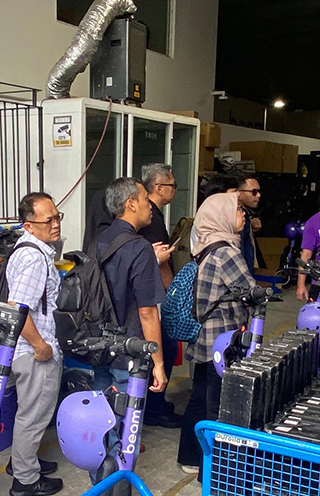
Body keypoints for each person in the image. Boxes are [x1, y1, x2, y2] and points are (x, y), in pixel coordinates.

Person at [177, 191, 256, 473]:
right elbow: (250, 292)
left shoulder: (204, 245)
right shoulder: (227, 252)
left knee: (198, 398)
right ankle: (214, 470)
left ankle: (189, 457)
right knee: (217, 404)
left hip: (202, 336)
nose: (243, 215)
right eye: (237, 210)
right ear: (221, 214)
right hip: (222, 340)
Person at [4, 192, 65, 496]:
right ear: (28, 225)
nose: (55, 224)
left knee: (29, 411)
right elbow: (18, 307)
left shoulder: (32, 250)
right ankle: (25, 480)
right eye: (48, 220)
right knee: (34, 413)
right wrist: (40, 345)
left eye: (57, 217)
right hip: (33, 350)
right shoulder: (34, 258)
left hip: (27, 348)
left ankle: (22, 462)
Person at [96, 177, 169, 398]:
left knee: (102, 416)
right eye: (146, 199)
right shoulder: (140, 248)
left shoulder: (99, 240)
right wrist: (158, 363)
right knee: (127, 423)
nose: (150, 206)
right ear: (131, 204)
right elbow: (147, 311)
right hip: (130, 350)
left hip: (100, 346)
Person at [139, 163, 185, 427]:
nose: (175, 191)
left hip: (152, 293)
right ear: (159, 188)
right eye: (172, 186)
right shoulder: (152, 219)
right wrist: (173, 294)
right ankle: (155, 407)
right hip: (155, 295)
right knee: (162, 350)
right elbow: (162, 263)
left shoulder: (154, 216)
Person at [237, 175, 264, 270]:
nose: (258, 195)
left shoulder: (247, 215)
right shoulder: (231, 216)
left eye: (259, 191)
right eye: (254, 192)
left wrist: (252, 231)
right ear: (239, 193)